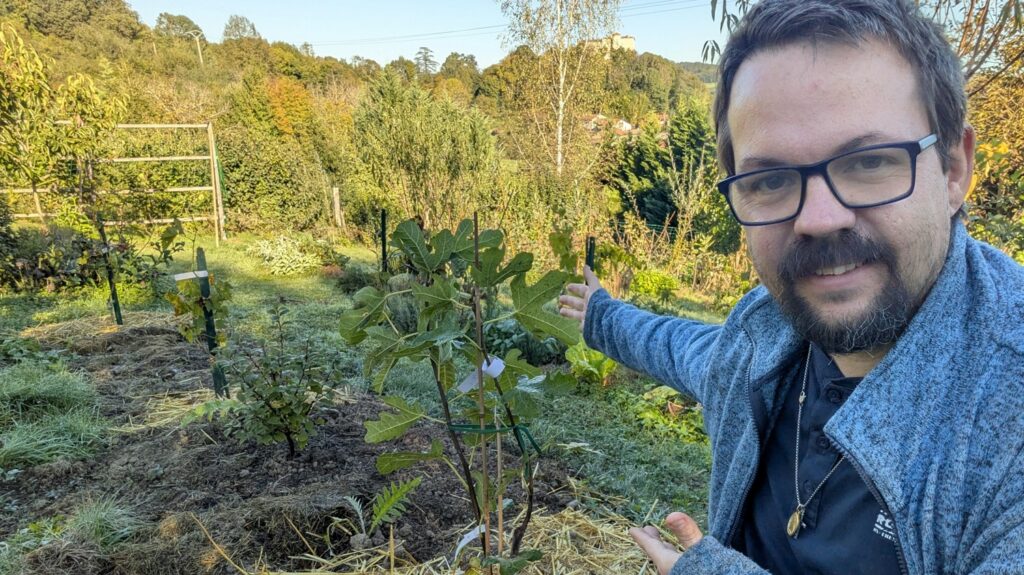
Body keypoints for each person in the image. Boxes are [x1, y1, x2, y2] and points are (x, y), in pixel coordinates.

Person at [558, 1, 1024, 573]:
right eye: (771, 179)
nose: (819, 219)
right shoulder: (762, 340)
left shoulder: (1007, 416)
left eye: (869, 163)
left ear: (953, 171)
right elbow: (683, 350)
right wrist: (601, 316)